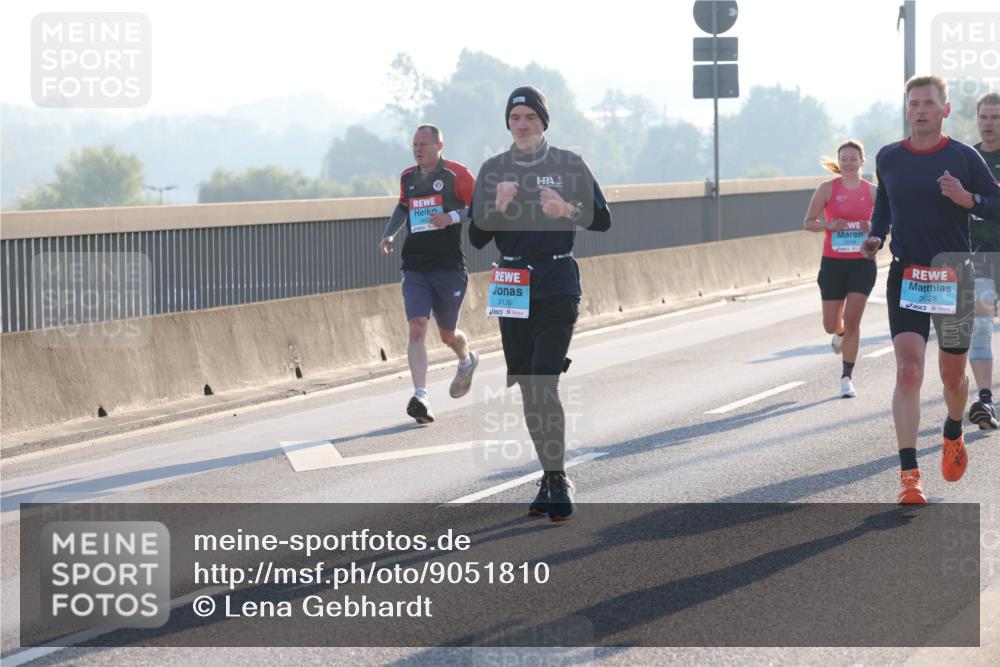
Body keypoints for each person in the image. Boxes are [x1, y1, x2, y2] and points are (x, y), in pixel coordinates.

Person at [468, 86, 612, 521]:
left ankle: (558, 476)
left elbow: (602, 219)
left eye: (531, 117)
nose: (523, 125)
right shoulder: (494, 170)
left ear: (544, 122)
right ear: (508, 125)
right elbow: (476, 237)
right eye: (516, 118)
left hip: (556, 281)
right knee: (530, 386)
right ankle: (549, 476)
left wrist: (568, 210)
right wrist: (497, 206)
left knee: (544, 381)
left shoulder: (569, 164)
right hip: (511, 283)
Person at [861, 75, 1000, 504]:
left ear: (945, 110)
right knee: (909, 370)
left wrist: (968, 201)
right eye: (913, 103)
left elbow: (995, 201)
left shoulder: (962, 158)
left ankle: (953, 432)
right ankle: (909, 475)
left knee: (953, 378)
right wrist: (875, 235)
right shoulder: (888, 157)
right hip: (906, 275)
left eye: (928, 103)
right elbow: (884, 203)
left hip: (952, 275)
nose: (920, 110)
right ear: (906, 110)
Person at [380, 124, 479, 424]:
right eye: (414, 144)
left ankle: (466, 359)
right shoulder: (408, 177)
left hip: (449, 267)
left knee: (447, 334)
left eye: (424, 144)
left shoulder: (456, 175)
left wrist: (450, 216)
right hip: (415, 266)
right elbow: (402, 207)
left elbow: (482, 208)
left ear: (440, 145)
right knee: (417, 327)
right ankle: (420, 395)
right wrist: (389, 235)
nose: (418, 149)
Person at [803, 140, 878, 398]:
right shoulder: (827, 189)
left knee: (855, 320)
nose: (848, 163)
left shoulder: (872, 192)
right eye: (844, 158)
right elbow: (808, 222)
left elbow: (885, 227)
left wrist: (873, 230)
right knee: (830, 324)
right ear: (839, 162)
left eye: (853, 158)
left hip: (862, 264)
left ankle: (847, 377)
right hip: (833, 263)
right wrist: (828, 225)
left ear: (861, 162)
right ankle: (840, 331)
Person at [967, 91, 1000, 430]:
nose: (988, 123)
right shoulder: (967, 159)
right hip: (980, 257)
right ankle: (986, 400)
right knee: (981, 327)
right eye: (984, 117)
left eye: (996, 117)